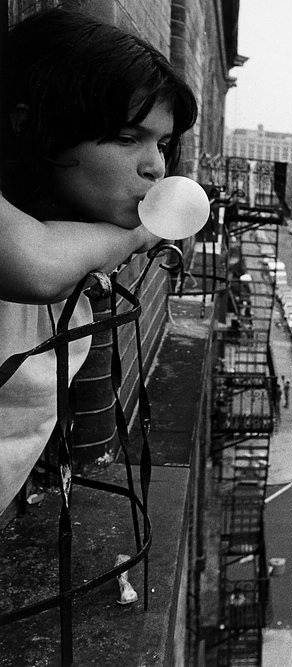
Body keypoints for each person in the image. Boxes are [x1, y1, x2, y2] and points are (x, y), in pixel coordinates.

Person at [0, 7, 197, 510]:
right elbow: (36, 264)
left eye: (163, 143)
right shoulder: (45, 251)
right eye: (128, 138)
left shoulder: (77, 243)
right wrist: (137, 235)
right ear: (31, 127)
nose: (156, 166)